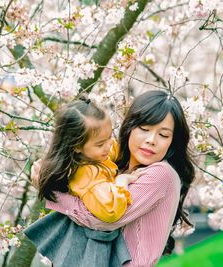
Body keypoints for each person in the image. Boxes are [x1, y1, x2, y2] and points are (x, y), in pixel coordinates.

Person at [46, 90, 195, 267]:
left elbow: (105, 220)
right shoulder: (111, 165)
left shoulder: (161, 174)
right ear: (130, 126)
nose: (151, 140)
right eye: (145, 129)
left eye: (163, 135)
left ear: (172, 141)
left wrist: (55, 196)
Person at [25, 96, 140, 266]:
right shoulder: (87, 175)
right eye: (101, 143)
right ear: (76, 146)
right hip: (90, 245)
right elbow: (111, 211)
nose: (109, 145)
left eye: (110, 137)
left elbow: (115, 149)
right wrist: (122, 181)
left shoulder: (96, 155)